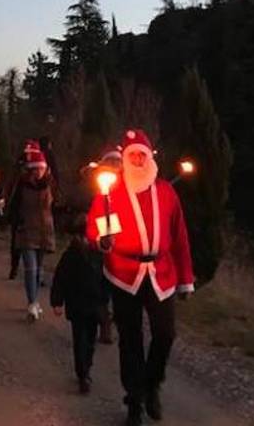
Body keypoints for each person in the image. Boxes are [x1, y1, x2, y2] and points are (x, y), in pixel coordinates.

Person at [86, 129, 194, 426]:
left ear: (149, 158)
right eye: (131, 154)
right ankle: (134, 401)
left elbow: (180, 237)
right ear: (124, 158)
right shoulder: (113, 193)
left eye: (141, 155)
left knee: (165, 334)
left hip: (161, 273)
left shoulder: (165, 192)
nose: (136, 159)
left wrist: (186, 278)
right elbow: (96, 229)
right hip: (124, 274)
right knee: (130, 340)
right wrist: (101, 239)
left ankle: (151, 384)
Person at [51, 214, 108, 395]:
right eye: (80, 236)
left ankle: (87, 367)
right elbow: (60, 278)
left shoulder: (100, 255)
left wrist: (107, 300)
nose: (83, 239)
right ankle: (82, 372)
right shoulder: (71, 255)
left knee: (90, 339)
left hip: (94, 304)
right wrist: (57, 301)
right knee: (79, 339)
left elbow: (106, 279)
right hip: (77, 304)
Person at [9, 151, 56, 321]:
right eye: (35, 169)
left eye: (41, 168)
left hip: (44, 231)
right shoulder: (22, 184)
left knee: (39, 271)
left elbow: (56, 204)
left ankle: (35, 300)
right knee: (31, 268)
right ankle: (31, 303)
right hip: (27, 230)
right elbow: (13, 205)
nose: (38, 172)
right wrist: (15, 221)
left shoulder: (50, 184)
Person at [6, 139, 43, 280]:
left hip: (37, 214)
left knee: (37, 244)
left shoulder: (42, 169)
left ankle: (37, 272)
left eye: (32, 153)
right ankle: (14, 267)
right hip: (19, 210)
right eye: (27, 153)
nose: (29, 156)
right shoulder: (19, 167)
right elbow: (11, 183)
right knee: (16, 241)